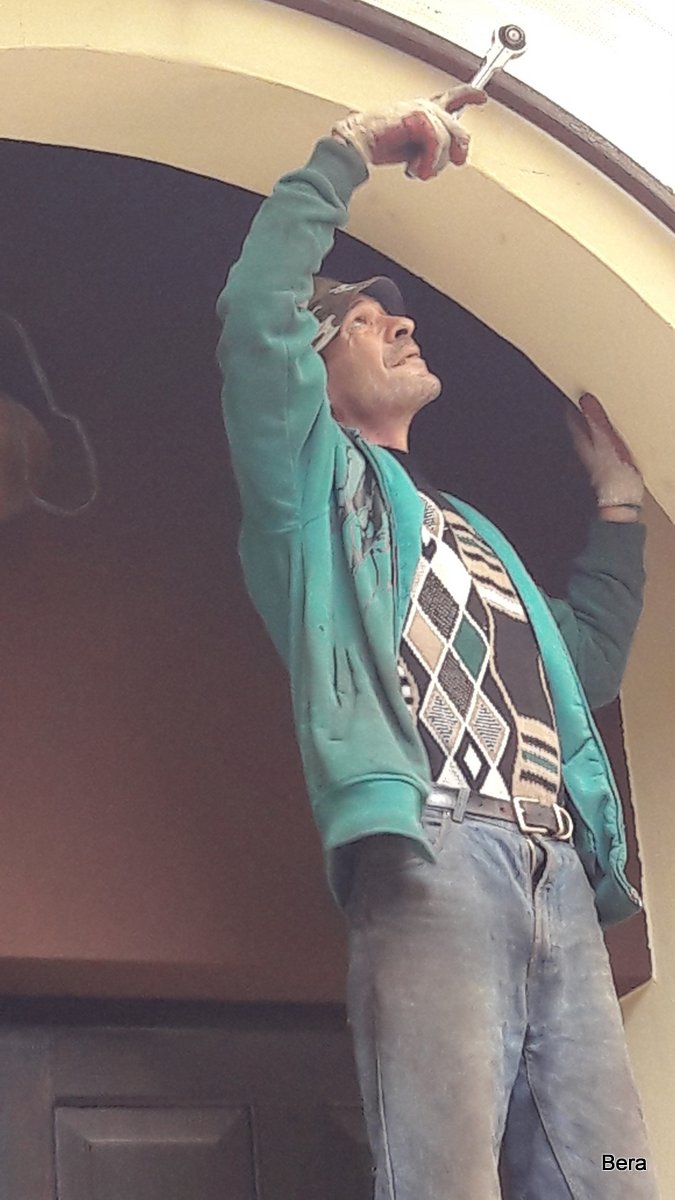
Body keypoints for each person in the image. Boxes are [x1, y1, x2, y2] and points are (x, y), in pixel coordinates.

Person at [216, 86, 657, 1199]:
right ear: (315, 368)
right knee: (443, 1179)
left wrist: (619, 505)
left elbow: (585, 665)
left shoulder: (473, 536)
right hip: (434, 857)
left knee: (617, 1174)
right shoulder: (313, 501)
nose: (402, 324)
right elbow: (254, 321)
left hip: (559, 878)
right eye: (367, 321)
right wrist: (346, 154)